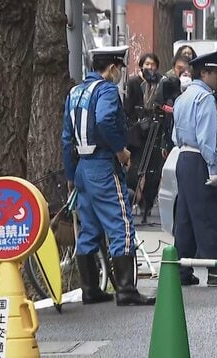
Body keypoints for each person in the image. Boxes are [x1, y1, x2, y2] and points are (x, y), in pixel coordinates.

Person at [61, 45, 155, 306]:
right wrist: (120, 151)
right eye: (119, 69)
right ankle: (126, 289)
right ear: (112, 68)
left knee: (89, 227)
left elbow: (66, 137)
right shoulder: (106, 90)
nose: (120, 74)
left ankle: (90, 289)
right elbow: (104, 120)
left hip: (82, 166)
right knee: (121, 223)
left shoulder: (75, 91)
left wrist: (71, 173)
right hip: (102, 164)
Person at [172, 50, 217, 286]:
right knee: (209, 215)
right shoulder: (205, 99)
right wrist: (213, 169)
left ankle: (180, 270)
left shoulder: (182, 97)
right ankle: (216, 270)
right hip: (199, 161)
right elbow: (206, 139)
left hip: (183, 158)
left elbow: (175, 136)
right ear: (204, 73)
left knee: (185, 218)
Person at [124, 53, 163, 223]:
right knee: (136, 168)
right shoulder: (133, 83)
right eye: (147, 64)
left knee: (154, 170)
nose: (150, 68)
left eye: (153, 64)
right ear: (141, 65)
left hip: (154, 132)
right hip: (137, 134)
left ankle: (147, 204)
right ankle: (135, 198)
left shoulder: (160, 83)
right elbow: (127, 108)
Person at [156, 54, 191, 157]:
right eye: (179, 68)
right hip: (169, 129)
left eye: (186, 69)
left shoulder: (195, 87)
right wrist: (174, 110)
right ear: (173, 68)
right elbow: (159, 104)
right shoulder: (167, 84)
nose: (183, 72)